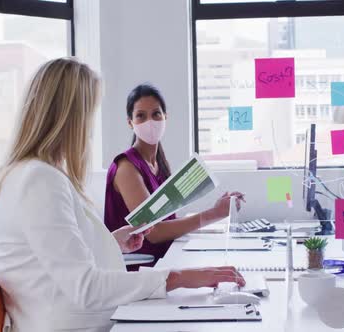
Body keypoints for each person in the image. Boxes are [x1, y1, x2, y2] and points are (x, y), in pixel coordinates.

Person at [0, 58, 245, 332]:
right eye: (90, 112)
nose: (90, 127)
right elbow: (86, 287)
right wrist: (179, 277)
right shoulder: (39, 181)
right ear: (71, 116)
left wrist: (112, 242)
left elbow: (57, 257)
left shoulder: (35, 174)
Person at [104, 84, 245, 268]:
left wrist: (216, 208)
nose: (150, 121)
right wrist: (213, 214)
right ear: (130, 122)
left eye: (156, 114)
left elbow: (167, 223)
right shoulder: (126, 168)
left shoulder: (159, 165)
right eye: (141, 116)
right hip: (141, 270)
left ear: (165, 117)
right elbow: (153, 233)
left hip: (165, 261)